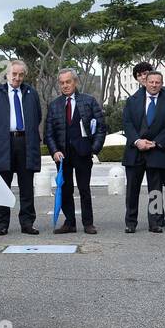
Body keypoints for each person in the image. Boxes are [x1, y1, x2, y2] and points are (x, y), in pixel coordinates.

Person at [0, 59, 41, 235]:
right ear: (6, 74)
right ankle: (2, 224)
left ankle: (27, 223)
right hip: (3, 144)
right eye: (14, 74)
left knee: (27, 186)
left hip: (25, 142)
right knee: (2, 185)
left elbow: (37, 116)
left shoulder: (31, 93)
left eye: (21, 75)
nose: (17, 78)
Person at [43, 67, 105, 234]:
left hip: (84, 153)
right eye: (62, 83)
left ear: (75, 82)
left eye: (68, 82)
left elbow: (100, 128)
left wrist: (94, 149)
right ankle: (70, 223)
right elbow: (48, 133)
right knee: (65, 189)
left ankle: (88, 223)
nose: (65, 85)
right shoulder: (54, 105)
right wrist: (55, 151)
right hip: (63, 156)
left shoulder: (89, 101)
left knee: (84, 189)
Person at [121, 71, 165, 233]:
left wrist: (157, 143)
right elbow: (127, 123)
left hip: (157, 151)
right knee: (132, 189)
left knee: (156, 190)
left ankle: (155, 222)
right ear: (145, 82)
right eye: (151, 82)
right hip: (135, 150)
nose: (154, 85)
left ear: (162, 84)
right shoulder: (132, 101)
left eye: (157, 82)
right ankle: (130, 222)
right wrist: (137, 141)